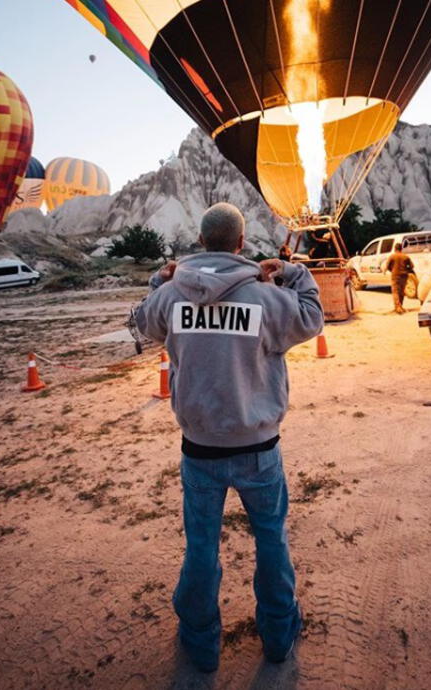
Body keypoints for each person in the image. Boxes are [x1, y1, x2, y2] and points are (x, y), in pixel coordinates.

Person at [135, 202, 324, 673]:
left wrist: (161, 280)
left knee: (201, 545)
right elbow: (312, 316)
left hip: (199, 449)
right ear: (241, 244)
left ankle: (201, 644)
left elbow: (140, 319)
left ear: (201, 243)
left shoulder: (172, 295)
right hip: (259, 448)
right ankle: (279, 635)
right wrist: (294, 272)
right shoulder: (264, 298)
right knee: (271, 539)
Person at [385, 242, 415, 314]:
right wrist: (407, 270)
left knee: (395, 291)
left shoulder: (392, 256)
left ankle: (398, 307)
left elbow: (387, 266)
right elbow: (412, 266)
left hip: (395, 275)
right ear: (401, 248)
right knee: (401, 291)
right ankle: (400, 306)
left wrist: (392, 270)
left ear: (395, 249)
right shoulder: (406, 257)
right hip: (404, 275)